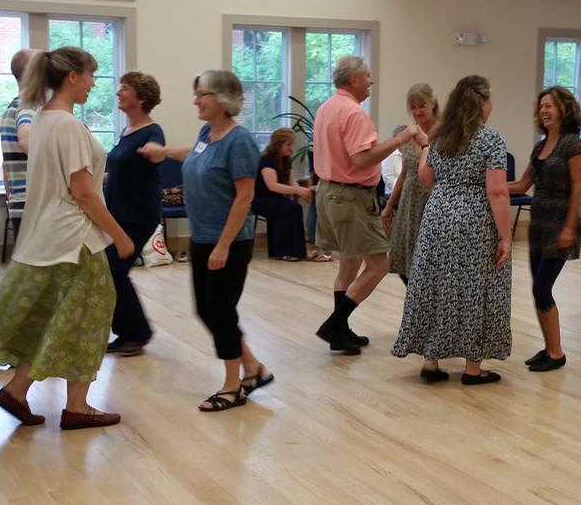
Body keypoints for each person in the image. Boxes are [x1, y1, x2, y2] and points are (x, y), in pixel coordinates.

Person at [0, 47, 134, 431]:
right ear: (73, 77)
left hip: (51, 236)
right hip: (75, 238)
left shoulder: (42, 120)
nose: (95, 84)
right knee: (90, 317)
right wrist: (120, 234)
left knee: (56, 317)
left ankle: (17, 390)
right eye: (91, 75)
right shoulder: (66, 124)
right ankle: (77, 406)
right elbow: (82, 192)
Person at [140, 70, 272, 411]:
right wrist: (164, 151)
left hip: (228, 241)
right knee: (207, 310)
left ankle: (233, 386)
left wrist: (224, 245)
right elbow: (196, 154)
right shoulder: (208, 133)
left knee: (221, 311)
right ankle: (254, 367)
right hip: (203, 238)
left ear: (223, 99)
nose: (196, 100)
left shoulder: (239, 141)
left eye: (202, 95)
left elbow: (245, 196)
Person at [391, 75, 511, 385]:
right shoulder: (490, 139)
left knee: (436, 285)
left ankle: (431, 362)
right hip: (474, 220)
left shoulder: (440, 137)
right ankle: (473, 369)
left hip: (437, 216)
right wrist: (506, 236)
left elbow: (425, 177)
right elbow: (497, 192)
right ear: (483, 104)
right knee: (478, 288)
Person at [311, 56, 422, 354]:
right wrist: (400, 138)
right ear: (354, 81)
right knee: (380, 264)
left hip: (329, 192)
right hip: (349, 197)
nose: (371, 81)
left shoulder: (326, 107)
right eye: (368, 76)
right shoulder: (353, 113)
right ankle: (336, 323)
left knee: (350, 261)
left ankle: (340, 331)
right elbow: (362, 159)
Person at [506, 86, 581, 372]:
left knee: (542, 287)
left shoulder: (572, 144)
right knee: (538, 290)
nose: (544, 111)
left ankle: (557, 353)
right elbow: (522, 185)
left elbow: (577, 188)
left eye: (550, 106)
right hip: (539, 225)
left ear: (564, 109)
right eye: (541, 107)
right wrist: (488, 185)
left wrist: (569, 227)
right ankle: (548, 348)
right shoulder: (540, 146)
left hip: (560, 225)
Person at [103, 71, 166, 357]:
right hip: (118, 214)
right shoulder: (126, 132)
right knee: (110, 273)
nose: (118, 93)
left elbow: (157, 153)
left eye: (124, 89)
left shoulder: (152, 132)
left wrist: (157, 152)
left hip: (139, 215)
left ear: (140, 98)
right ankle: (128, 332)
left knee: (115, 272)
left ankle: (138, 333)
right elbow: (119, 171)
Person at [381, 83, 440, 284]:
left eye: (421, 105)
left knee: (429, 263)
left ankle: (427, 309)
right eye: (412, 107)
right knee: (405, 264)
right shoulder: (408, 134)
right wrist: (389, 206)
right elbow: (405, 173)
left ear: (432, 104)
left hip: (432, 201)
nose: (417, 111)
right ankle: (418, 307)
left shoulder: (444, 133)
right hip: (409, 202)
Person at [253, 128, 313, 261]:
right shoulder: (266, 160)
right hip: (260, 199)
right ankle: (283, 251)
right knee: (289, 208)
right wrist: (298, 191)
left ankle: (296, 251)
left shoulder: (286, 159)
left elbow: (291, 182)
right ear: (278, 144)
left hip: (275, 198)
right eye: (289, 144)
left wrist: (303, 192)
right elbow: (272, 186)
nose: (291, 148)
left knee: (294, 207)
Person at [0, 48, 41, 235]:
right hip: (33, 204)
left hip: (22, 202)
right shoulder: (28, 107)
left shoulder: (14, 106)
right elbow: (26, 142)